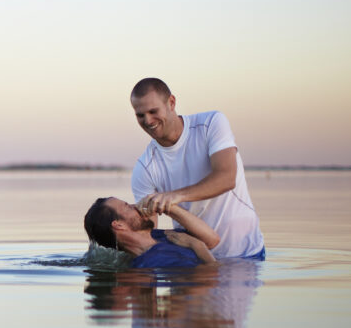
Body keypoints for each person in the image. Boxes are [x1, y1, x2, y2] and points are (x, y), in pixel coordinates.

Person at [129, 78, 265, 260]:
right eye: (140, 115)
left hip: (246, 254)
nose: (148, 120)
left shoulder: (211, 123)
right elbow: (149, 234)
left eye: (153, 111)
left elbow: (227, 177)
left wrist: (175, 196)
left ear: (171, 103)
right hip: (194, 262)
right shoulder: (144, 168)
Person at [84, 196, 218, 268]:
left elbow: (212, 240)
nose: (136, 206)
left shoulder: (160, 235)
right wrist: (196, 245)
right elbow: (211, 276)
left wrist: (168, 206)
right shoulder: (153, 261)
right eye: (128, 206)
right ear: (118, 225)